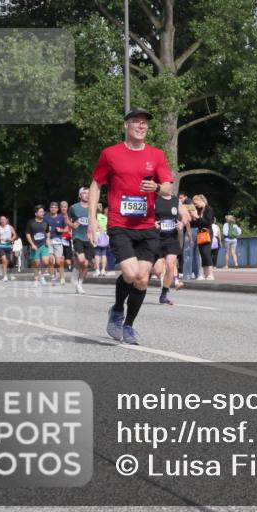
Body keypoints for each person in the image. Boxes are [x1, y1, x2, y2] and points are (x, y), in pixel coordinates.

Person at [88, 107, 174, 345]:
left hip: (146, 226)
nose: (141, 126)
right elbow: (96, 185)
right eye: (136, 121)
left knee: (142, 279)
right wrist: (93, 219)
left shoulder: (156, 155)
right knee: (130, 273)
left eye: (144, 122)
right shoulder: (110, 154)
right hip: (120, 224)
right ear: (125, 125)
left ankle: (128, 326)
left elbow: (168, 186)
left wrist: (157, 187)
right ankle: (117, 310)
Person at [153, 189, 190, 305]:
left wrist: (182, 223)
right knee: (158, 270)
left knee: (170, 265)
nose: (169, 188)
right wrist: (152, 223)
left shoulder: (175, 200)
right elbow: (145, 215)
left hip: (171, 238)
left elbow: (185, 215)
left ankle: (164, 295)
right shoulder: (154, 198)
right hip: (156, 238)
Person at [68, 187, 92, 294]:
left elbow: (94, 221)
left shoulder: (92, 207)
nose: (87, 195)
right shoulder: (74, 207)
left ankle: (79, 284)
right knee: (81, 260)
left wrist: (97, 233)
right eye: (84, 193)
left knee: (86, 264)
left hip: (89, 238)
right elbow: (67, 219)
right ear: (80, 195)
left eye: (88, 193)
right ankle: (75, 270)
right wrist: (72, 224)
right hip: (77, 236)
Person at [190, 194, 216, 281]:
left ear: (201, 200)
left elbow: (208, 222)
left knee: (206, 253)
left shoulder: (209, 209)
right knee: (202, 253)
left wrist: (197, 217)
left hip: (207, 233)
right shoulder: (199, 210)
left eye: (195, 203)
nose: (195, 205)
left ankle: (210, 274)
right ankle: (205, 274)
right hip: (201, 233)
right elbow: (197, 224)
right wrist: (193, 217)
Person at [26, 204, 52, 284]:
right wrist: (32, 244)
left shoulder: (45, 222)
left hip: (44, 245)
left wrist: (48, 239)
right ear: (36, 213)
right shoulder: (31, 222)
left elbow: (48, 232)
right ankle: (36, 278)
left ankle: (42, 276)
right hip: (35, 246)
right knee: (36, 263)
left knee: (46, 262)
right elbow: (27, 234)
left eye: (43, 212)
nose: (42, 213)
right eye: (40, 212)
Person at [45, 202, 67, 285]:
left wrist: (61, 230)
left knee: (58, 261)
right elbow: (42, 228)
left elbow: (67, 229)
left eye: (55, 207)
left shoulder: (61, 218)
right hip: (49, 240)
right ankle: (53, 278)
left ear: (57, 209)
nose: (53, 209)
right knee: (50, 260)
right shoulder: (46, 218)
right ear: (49, 209)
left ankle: (62, 277)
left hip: (58, 241)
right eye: (51, 207)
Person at [0, 215, 17, 281]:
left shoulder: (10, 227)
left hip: (8, 246)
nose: (3, 220)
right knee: (3, 260)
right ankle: (5, 276)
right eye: (1, 219)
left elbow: (15, 235)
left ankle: (8, 274)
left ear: (6, 220)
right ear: (0, 221)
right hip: (1, 246)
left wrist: (11, 239)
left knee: (7, 262)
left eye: (4, 219)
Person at [59, 200, 74, 280]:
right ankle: (60, 271)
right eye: (62, 207)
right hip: (59, 239)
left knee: (68, 260)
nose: (63, 208)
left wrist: (72, 233)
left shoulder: (70, 217)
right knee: (59, 257)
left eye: (65, 207)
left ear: (67, 208)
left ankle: (68, 266)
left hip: (68, 239)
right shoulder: (57, 216)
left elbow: (74, 226)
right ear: (60, 208)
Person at [93, 204, 109, 276]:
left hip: (96, 236)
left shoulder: (94, 217)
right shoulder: (105, 217)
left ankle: (97, 270)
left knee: (97, 254)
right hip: (104, 237)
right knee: (104, 254)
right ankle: (103, 270)